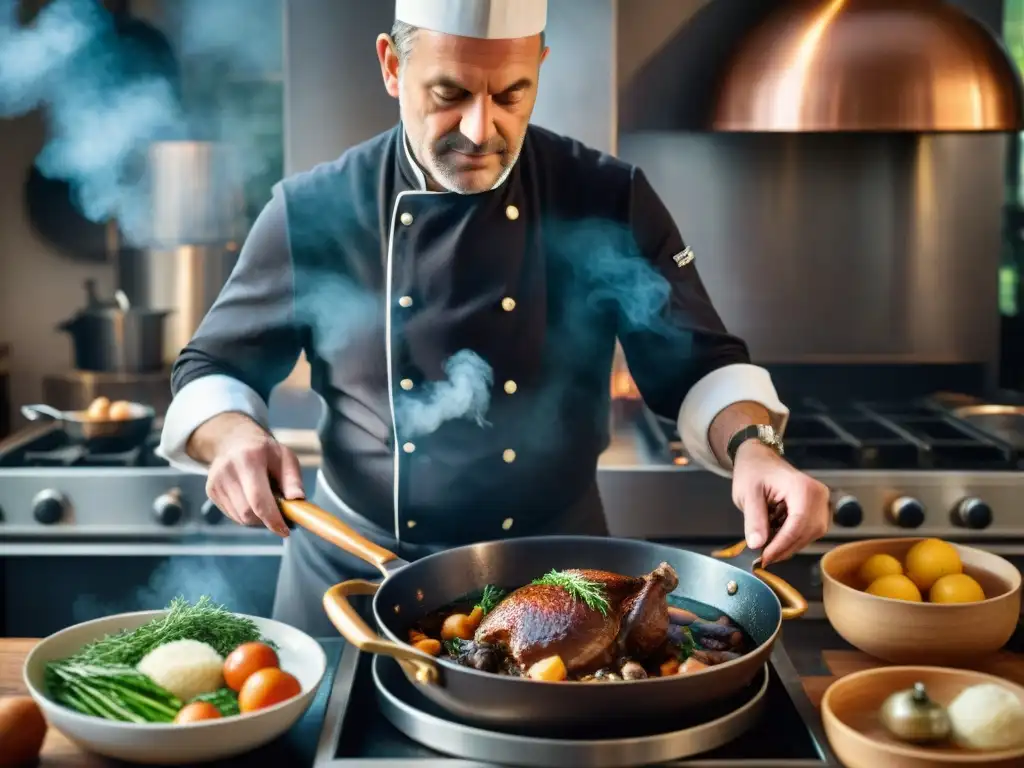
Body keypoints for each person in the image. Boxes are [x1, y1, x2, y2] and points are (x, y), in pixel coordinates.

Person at [159, 0, 830, 636]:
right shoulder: (315, 210)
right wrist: (231, 433)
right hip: (354, 575)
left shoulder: (605, 196)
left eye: (511, 95)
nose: (482, 131)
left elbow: (698, 366)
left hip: (563, 582)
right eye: (449, 94)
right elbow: (214, 366)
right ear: (393, 66)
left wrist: (754, 447)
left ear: (539, 62)